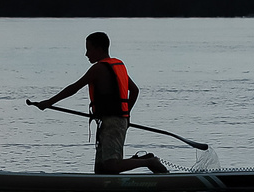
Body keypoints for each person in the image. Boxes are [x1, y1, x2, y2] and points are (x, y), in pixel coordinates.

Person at [32, 32, 169, 175]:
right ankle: (142, 159)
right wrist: (126, 116)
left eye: (89, 49)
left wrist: (49, 102)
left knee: (111, 166)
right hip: (110, 121)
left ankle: (149, 162)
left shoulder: (98, 69)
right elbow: (134, 91)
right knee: (101, 169)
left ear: (99, 49)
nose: (86, 54)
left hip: (113, 122)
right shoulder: (118, 66)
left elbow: (74, 88)